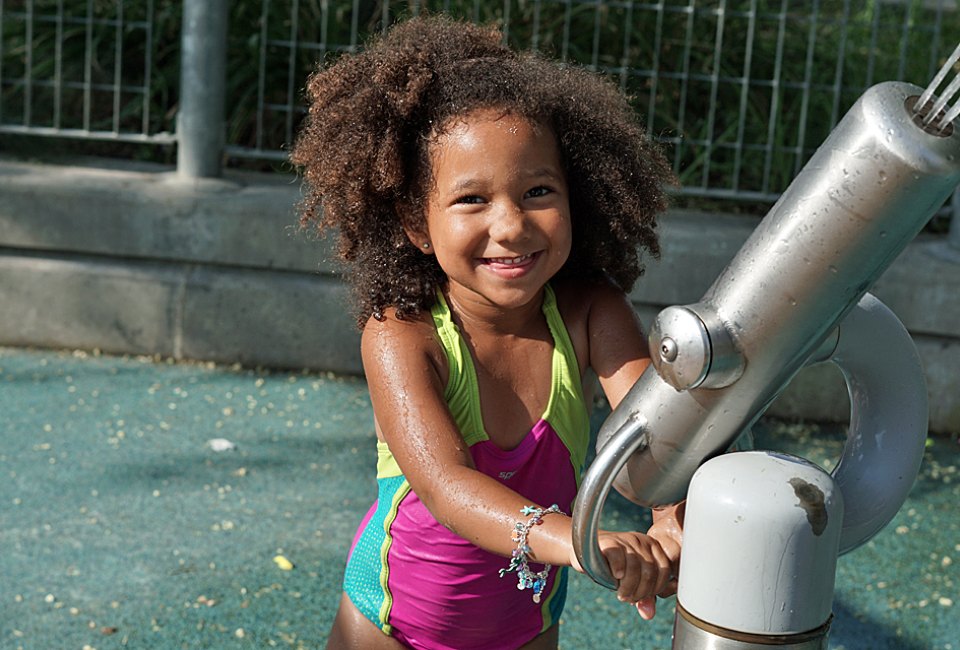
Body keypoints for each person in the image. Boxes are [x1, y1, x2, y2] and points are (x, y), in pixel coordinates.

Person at [291, 14, 683, 650]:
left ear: (574, 197)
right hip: (388, 626)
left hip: (524, 628)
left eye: (537, 191)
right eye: (471, 200)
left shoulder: (590, 315)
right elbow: (447, 487)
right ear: (418, 224)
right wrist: (580, 539)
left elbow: (663, 432)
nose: (510, 225)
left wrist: (673, 517)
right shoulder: (402, 334)